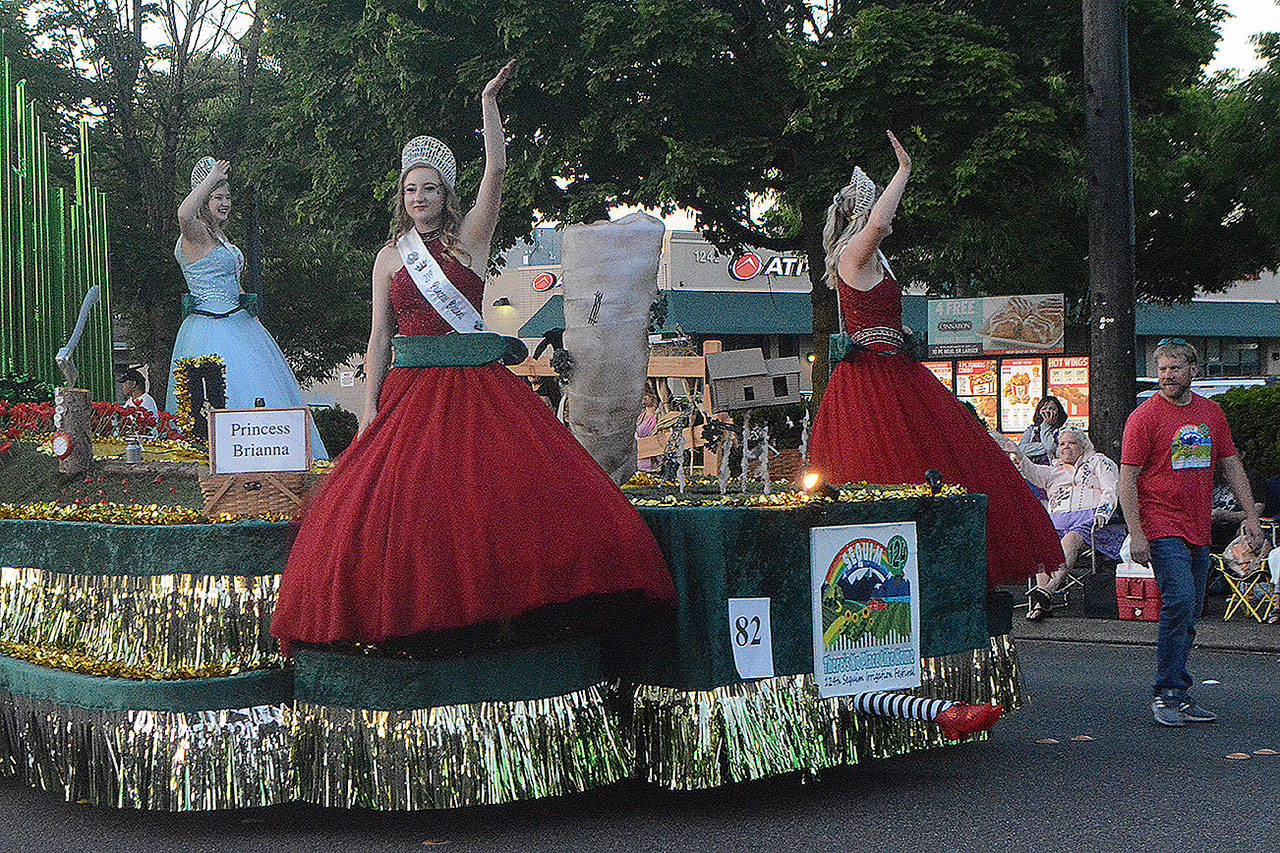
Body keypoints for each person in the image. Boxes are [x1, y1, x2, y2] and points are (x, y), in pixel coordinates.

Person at [271, 61, 674, 654]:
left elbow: (498, 170)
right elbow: (378, 341)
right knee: (403, 511)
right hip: (409, 393)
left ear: (446, 193)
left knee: (491, 501)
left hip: (472, 389)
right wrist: (365, 411)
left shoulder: (470, 241)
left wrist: (488, 104)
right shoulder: (389, 258)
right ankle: (413, 624)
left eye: (429, 186)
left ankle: (499, 618)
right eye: (410, 188)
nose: (418, 198)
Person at [807, 131, 1063, 588]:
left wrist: (899, 332)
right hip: (873, 378)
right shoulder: (855, 253)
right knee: (898, 463)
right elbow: (882, 224)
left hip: (892, 369)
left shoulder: (872, 260)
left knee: (953, 457)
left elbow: (879, 302)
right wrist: (903, 171)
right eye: (876, 208)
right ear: (863, 214)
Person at [1117, 338, 1264, 726]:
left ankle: (1178, 692)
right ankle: (1165, 692)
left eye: (1174, 369)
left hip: (1198, 526)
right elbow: (1126, 479)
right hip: (1160, 523)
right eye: (1162, 369)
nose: (1167, 376)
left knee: (1191, 611)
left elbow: (1231, 466)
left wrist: (1251, 516)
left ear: (1193, 371)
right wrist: (1137, 533)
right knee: (1179, 601)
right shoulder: (1144, 417)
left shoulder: (1210, 412)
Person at [168, 156, 327, 459]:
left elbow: (231, 280)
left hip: (239, 322)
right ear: (205, 197)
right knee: (218, 395)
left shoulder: (220, 238)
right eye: (218, 197)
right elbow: (184, 212)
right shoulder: (196, 233)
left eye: (228, 197)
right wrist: (211, 178)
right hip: (209, 327)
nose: (225, 203)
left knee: (261, 389)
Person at [1013, 427, 1124, 620]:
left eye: (1071, 443)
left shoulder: (1098, 461)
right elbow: (1031, 470)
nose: (1066, 447)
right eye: (1062, 443)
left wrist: (1103, 512)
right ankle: (1043, 600)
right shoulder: (1054, 470)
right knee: (1043, 543)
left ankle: (1047, 591)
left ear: (1083, 446)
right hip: (1057, 523)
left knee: (1070, 540)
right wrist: (1017, 453)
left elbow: (1110, 489)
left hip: (1092, 523)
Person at [1019, 396, 1068, 465]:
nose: (1047, 411)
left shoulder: (1063, 431)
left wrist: (1046, 427)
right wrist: (1046, 447)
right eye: (1044, 409)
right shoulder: (1031, 429)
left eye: (1052, 409)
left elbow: (1053, 449)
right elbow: (1021, 450)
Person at [636, 386, 661, 471]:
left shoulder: (657, 416)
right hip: (638, 454)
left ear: (652, 397)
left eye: (646, 397)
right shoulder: (641, 413)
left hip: (649, 454)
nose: (643, 400)